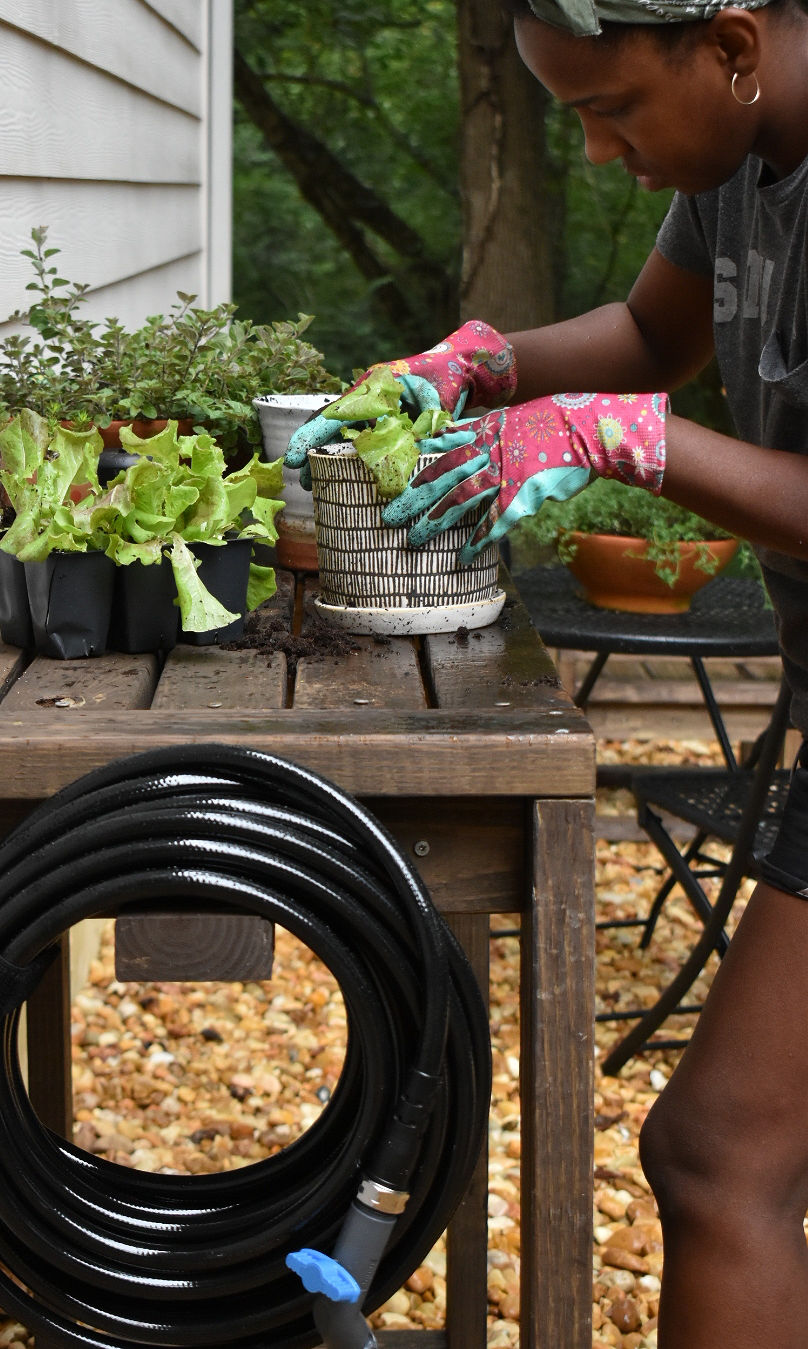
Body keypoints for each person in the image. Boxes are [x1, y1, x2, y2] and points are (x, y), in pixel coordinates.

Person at [286, 2, 808, 1344]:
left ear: (734, 49)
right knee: (735, 1159)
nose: (595, 149)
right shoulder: (745, 166)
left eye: (615, 107)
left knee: (722, 1157)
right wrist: (484, 365)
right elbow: (651, 336)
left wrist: (613, 439)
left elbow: (637, 403)